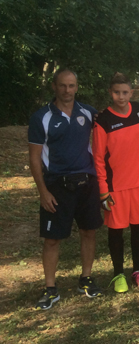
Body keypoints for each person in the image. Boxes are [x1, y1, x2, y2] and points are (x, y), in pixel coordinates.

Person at [28, 68, 104, 310]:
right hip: (56, 186)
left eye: (71, 85)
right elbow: (34, 157)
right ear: (54, 86)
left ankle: (86, 278)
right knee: (52, 239)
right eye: (62, 85)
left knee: (88, 232)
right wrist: (43, 192)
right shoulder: (41, 117)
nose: (67, 90)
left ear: (77, 87)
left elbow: (120, 116)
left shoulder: (88, 112)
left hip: (87, 183)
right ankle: (50, 288)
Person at [92, 73, 139, 293]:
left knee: (138, 229)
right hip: (115, 187)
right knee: (116, 231)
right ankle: (118, 273)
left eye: (125, 92)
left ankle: (138, 270)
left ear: (131, 93)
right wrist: (103, 190)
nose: (121, 96)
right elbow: (98, 158)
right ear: (110, 93)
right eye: (116, 92)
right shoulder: (102, 120)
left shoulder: (138, 110)